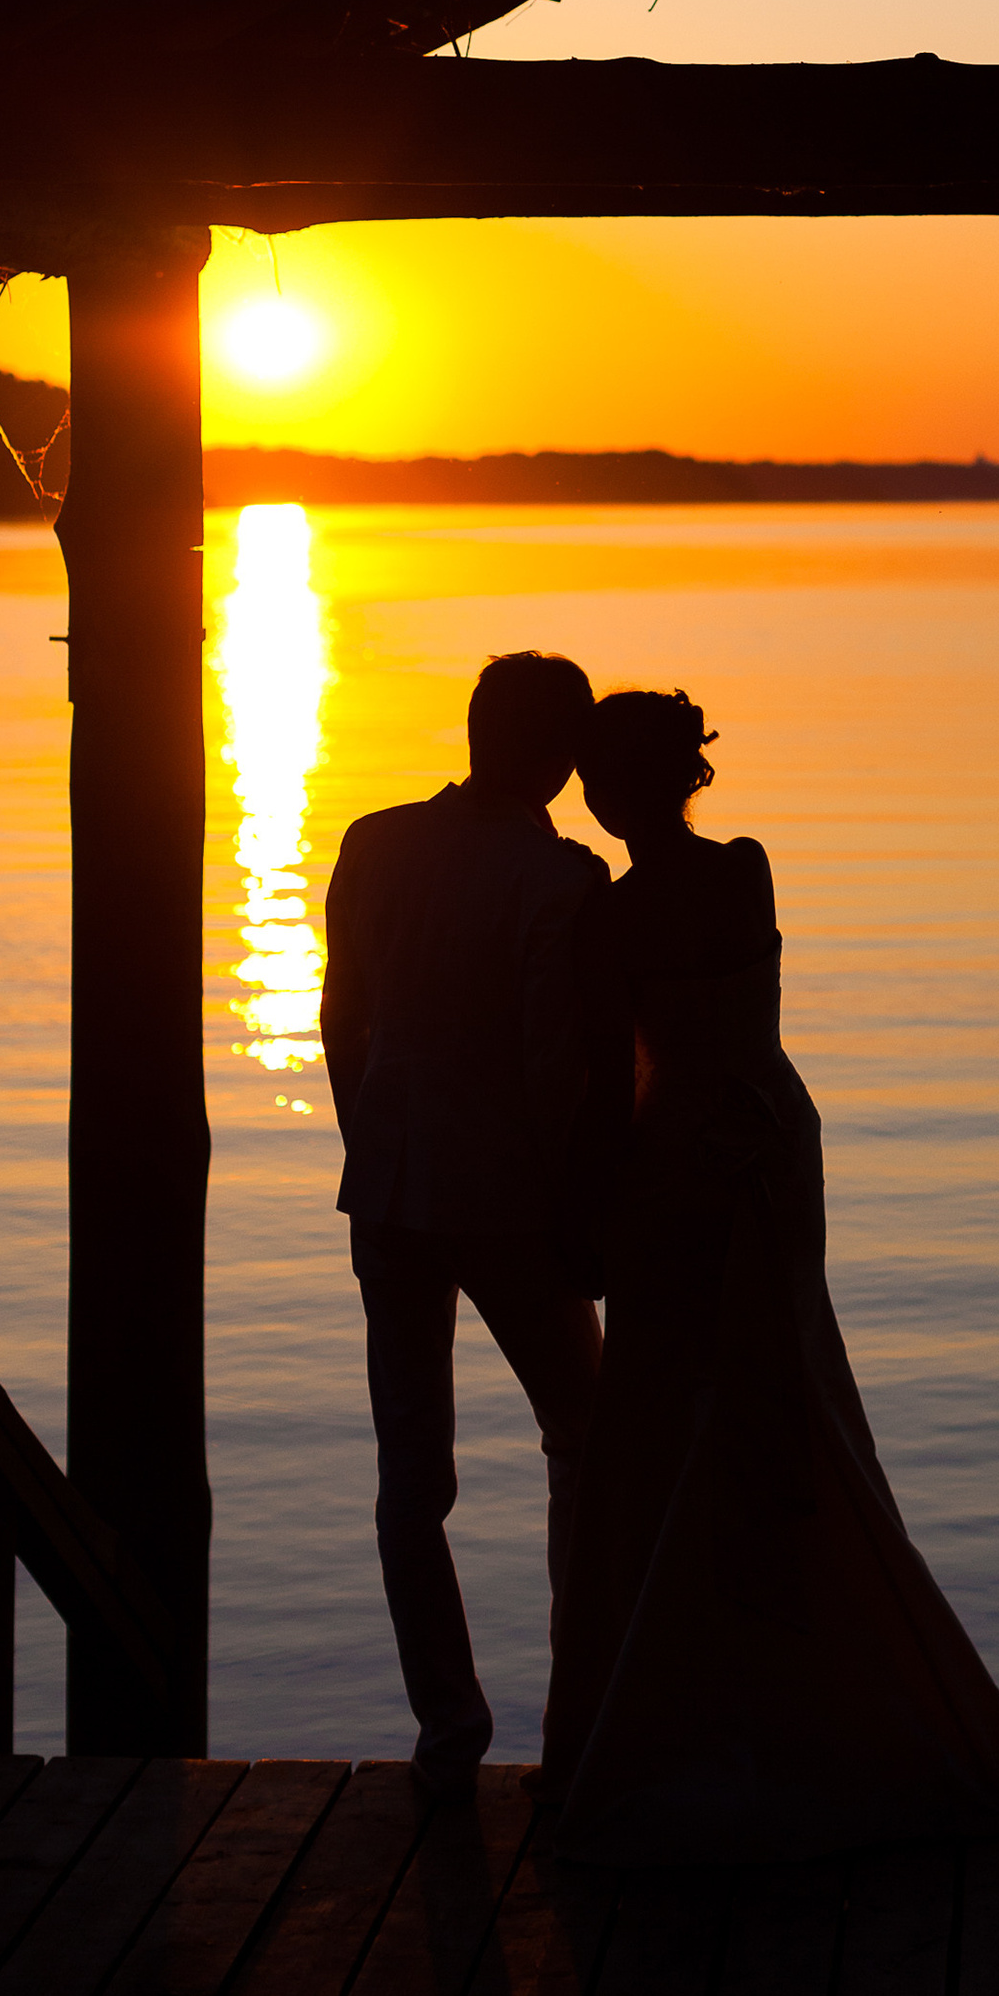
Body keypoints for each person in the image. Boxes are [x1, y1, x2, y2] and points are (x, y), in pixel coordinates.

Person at [539, 687, 999, 1861]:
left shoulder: (603, 923)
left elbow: (602, 1098)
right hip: (771, 1146)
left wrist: (581, 1221)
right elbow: (741, 1021)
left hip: (679, 1168)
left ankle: (657, 1721)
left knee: (660, 1433)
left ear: (607, 790)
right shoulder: (746, 871)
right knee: (788, 1401)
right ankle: (806, 1686)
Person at [320, 650, 612, 1796]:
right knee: (587, 1437)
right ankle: (577, 1715)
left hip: (387, 1190)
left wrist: (368, 1138)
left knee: (409, 1473)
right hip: (506, 1202)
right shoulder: (560, 883)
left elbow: (342, 1013)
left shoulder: (375, 841)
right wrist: (582, 1212)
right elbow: (555, 1070)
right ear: (559, 757)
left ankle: (448, 1731)